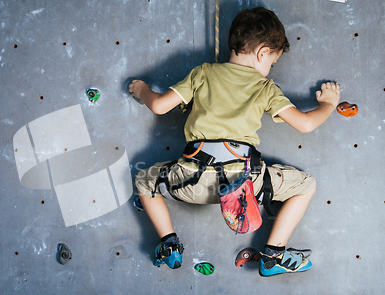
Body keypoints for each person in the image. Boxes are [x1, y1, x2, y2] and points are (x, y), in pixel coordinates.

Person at [129, 6, 340, 276]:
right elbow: (306, 123)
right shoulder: (264, 87)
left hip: (190, 182)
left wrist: (142, 89)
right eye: (272, 62)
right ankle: (273, 255)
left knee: (145, 181)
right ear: (263, 52)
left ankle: (169, 244)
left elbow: (159, 106)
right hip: (245, 183)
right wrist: (329, 104)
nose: (269, 68)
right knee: (306, 185)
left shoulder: (202, 73)